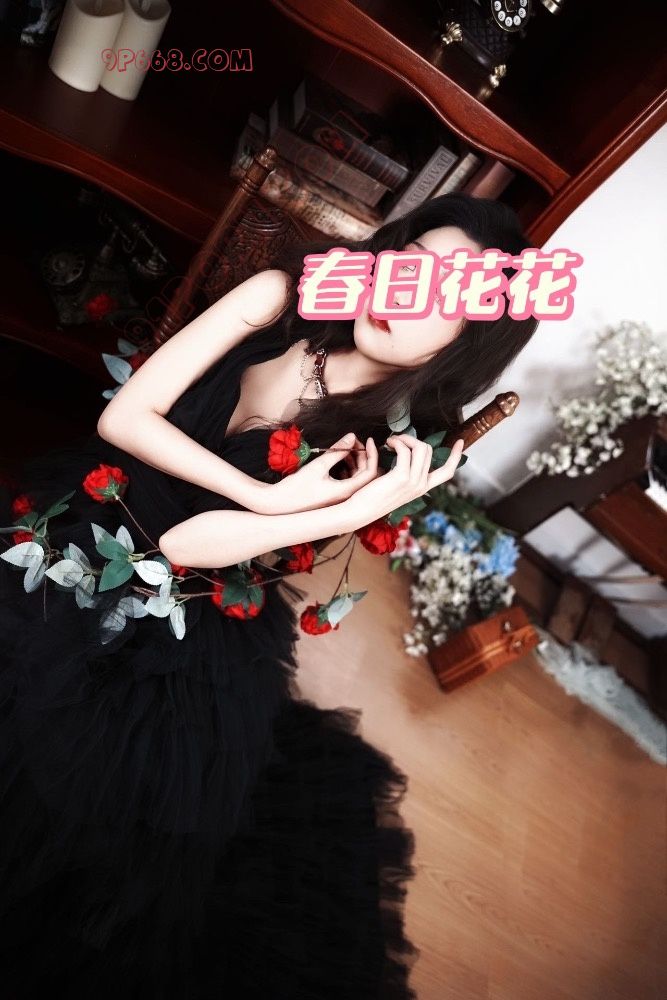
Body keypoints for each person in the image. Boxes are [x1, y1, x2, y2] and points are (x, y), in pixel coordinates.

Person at [0, 194, 539, 998]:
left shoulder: (379, 449)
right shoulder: (282, 295)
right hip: (87, 517)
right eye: (409, 267)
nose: (404, 296)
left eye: (443, 298)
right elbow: (126, 418)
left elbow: (183, 551)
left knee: (76, 816)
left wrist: (345, 512)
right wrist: (267, 497)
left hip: (181, 599)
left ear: (467, 340)